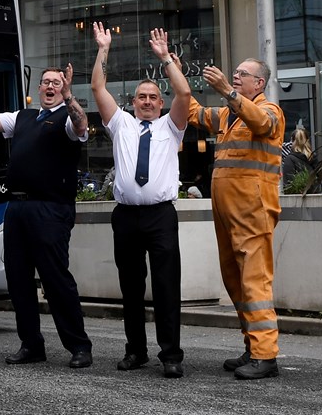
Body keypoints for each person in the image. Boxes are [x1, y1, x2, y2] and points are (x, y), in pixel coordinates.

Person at [0, 57, 93, 369]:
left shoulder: (66, 117)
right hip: (17, 208)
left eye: (57, 83)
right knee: (18, 279)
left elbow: (81, 124)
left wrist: (70, 97)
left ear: (63, 88)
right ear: (38, 88)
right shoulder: (23, 117)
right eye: (46, 83)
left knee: (55, 278)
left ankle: (79, 346)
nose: (50, 87)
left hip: (50, 207)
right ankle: (31, 344)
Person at [91, 24, 188, 379]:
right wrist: (104, 49)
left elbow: (186, 91)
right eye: (141, 97)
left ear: (160, 103)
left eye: (153, 98)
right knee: (130, 288)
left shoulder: (171, 127)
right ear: (132, 102)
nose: (147, 102)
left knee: (166, 286)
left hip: (161, 217)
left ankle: (171, 355)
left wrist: (165, 59)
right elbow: (97, 87)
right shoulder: (121, 125)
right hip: (126, 217)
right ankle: (136, 351)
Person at [187, 59, 285, 380]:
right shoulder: (228, 115)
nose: (236, 76)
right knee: (235, 281)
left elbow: (262, 124)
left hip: (253, 212)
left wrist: (227, 92)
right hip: (229, 215)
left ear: (259, 83)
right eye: (236, 73)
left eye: (243, 74)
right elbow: (194, 113)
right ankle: (253, 348)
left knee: (254, 281)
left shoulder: (270, 110)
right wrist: (172, 69)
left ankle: (265, 355)